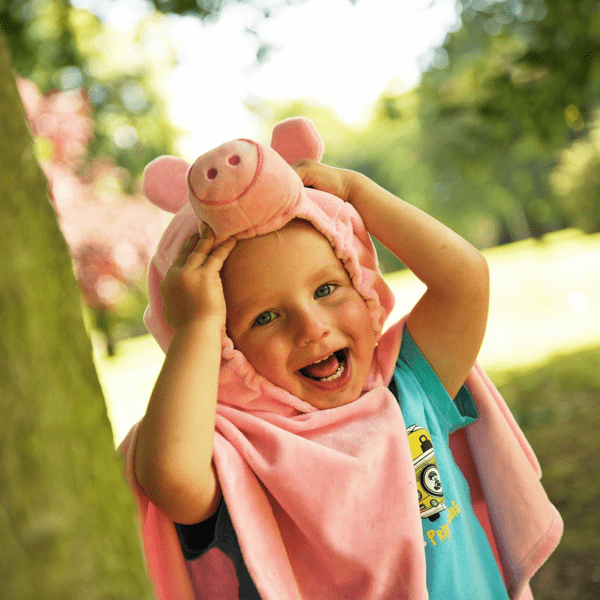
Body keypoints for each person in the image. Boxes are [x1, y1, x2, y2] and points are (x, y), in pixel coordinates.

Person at [120, 118, 562, 600]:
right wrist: (196, 326)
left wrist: (356, 192)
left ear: (362, 281)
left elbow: (465, 282)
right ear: (224, 357)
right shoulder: (235, 450)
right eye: (265, 317)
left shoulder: (408, 383)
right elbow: (169, 479)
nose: (312, 328)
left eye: (327, 289)